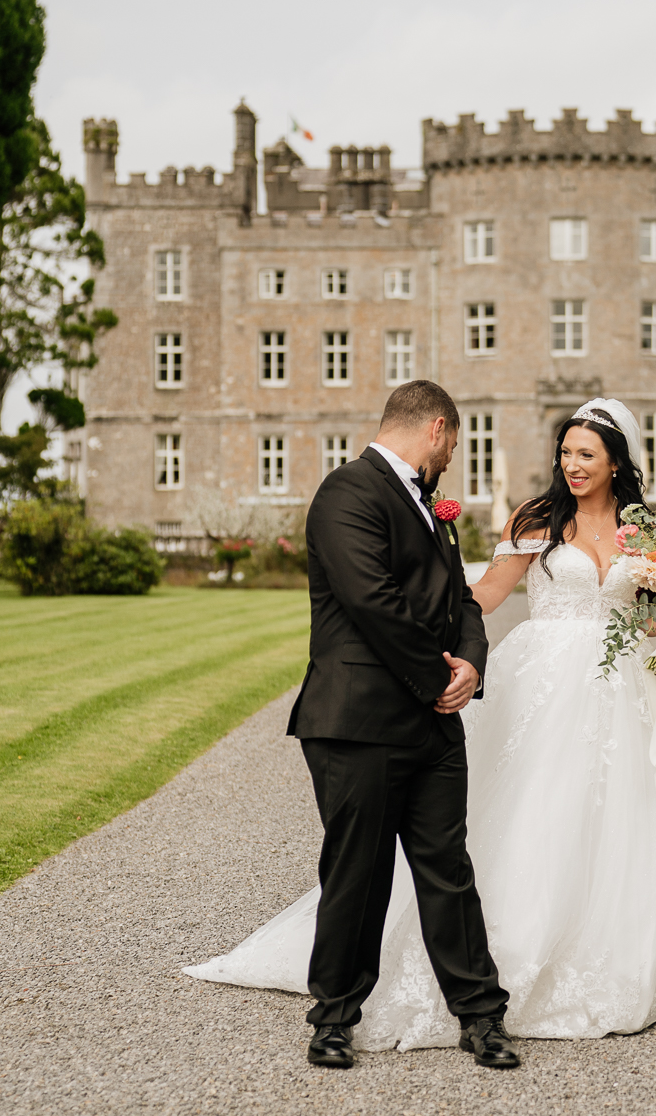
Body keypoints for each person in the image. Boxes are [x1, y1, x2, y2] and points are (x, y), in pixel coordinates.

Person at [189, 396, 656, 1052]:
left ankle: (557, 977)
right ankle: (369, 1009)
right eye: (566, 451)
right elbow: (483, 592)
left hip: (618, 688)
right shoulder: (535, 519)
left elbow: (654, 620)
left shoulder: (645, 534)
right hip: (542, 680)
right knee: (516, 816)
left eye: (586, 454)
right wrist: (458, 658)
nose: (571, 464)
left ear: (616, 463)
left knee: (610, 823)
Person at [199, 380, 517, 1071]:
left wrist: (471, 662)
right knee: (358, 871)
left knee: (447, 870)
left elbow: (460, 600)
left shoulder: (434, 512)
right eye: (453, 447)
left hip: (432, 729)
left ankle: (481, 1015)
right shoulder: (347, 493)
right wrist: (440, 681)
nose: (449, 462)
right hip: (358, 721)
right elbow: (373, 603)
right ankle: (334, 1018)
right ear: (436, 429)